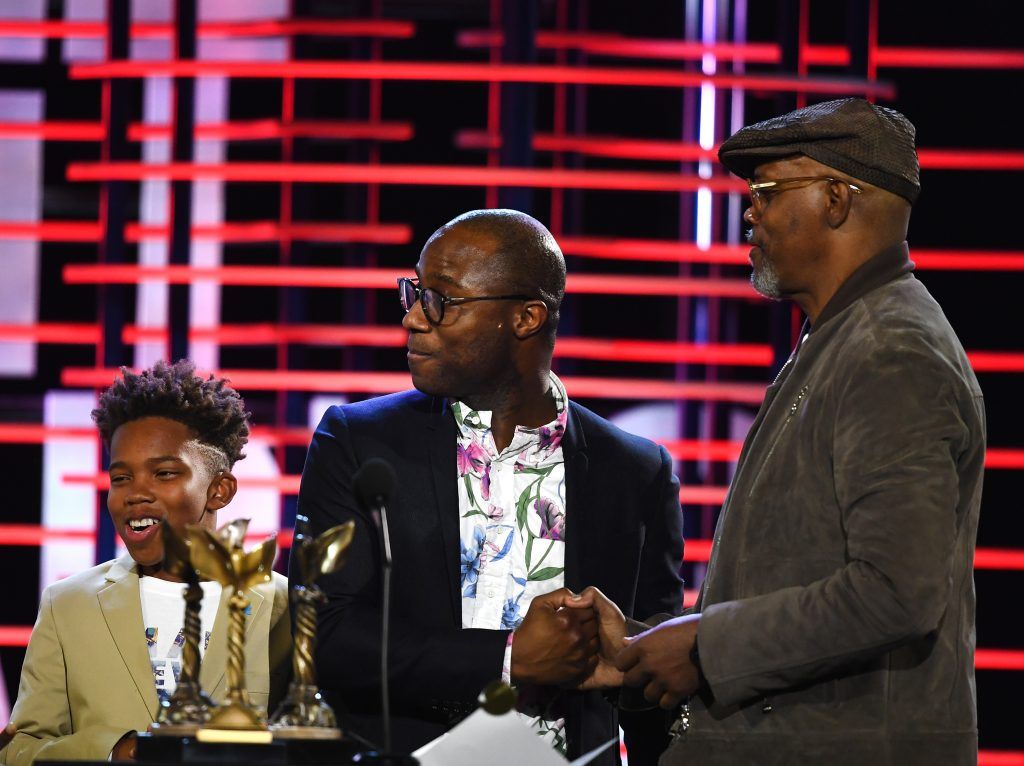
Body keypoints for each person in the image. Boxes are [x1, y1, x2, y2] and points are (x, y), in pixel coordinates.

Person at [576, 98, 985, 765]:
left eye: (765, 191)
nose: (749, 213)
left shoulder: (889, 351)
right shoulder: (845, 338)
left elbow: (896, 592)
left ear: (834, 199)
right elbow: (798, 572)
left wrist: (706, 646)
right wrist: (658, 641)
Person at [296, 208, 685, 764]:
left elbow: (652, 679)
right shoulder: (357, 441)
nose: (412, 318)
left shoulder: (635, 471)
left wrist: (629, 663)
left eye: (440, 300)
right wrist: (507, 659)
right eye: (412, 292)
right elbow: (321, 635)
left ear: (526, 317)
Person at [1, 360, 291, 765]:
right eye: (121, 478)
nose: (136, 494)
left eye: (164, 474)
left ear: (219, 490)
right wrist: (115, 752)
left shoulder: (283, 605)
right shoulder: (67, 605)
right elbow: (20, 750)